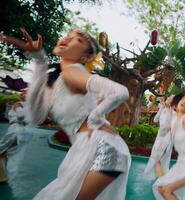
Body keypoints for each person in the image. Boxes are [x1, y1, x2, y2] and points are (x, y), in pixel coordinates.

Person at [0, 28, 130, 200]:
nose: (68, 39)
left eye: (78, 40)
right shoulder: (57, 81)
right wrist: (39, 58)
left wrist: (95, 117)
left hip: (103, 149)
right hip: (84, 149)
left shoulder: (72, 73)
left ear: (86, 57)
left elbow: (120, 92)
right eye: (68, 36)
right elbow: (37, 116)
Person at [0, 91, 31, 182]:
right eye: (21, 93)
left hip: (15, 129)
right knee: (4, 152)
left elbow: (21, 116)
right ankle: (2, 176)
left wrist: (18, 110)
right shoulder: (30, 107)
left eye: (25, 93)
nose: (21, 94)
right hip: (23, 131)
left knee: (2, 149)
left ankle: (2, 176)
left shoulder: (19, 104)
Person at [144, 96, 175, 179]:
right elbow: (155, 120)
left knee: (159, 157)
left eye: (170, 99)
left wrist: (167, 128)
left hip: (167, 137)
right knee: (156, 157)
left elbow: (175, 125)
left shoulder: (174, 113)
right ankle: (161, 177)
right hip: (160, 136)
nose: (167, 100)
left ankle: (162, 179)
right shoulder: (163, 110)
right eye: (168, 98)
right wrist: (161, 108)